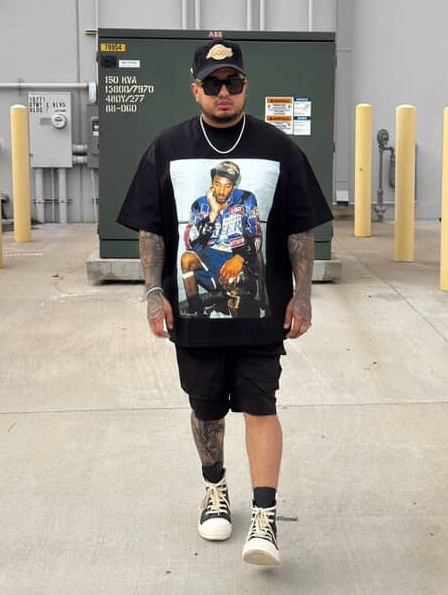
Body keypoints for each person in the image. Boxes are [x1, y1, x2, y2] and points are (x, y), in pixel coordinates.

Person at [117, 37, 332, 567]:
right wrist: (153, 293)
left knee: (262, 405)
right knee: (206, 409)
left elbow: (300, 229)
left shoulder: (279, 149)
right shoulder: (168, 148)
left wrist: (303, 296)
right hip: (196, 317)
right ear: (195, 90)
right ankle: (214, 487)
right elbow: (154, 231)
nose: (223, 92)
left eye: (232, 82)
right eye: (212, 83)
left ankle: (264, 515)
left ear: (245, 86)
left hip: (260, 312)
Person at [180, 159, 267, 319]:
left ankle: (243, 303)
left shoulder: (246, 199)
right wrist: (213, 214)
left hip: (236, 254)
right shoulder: (199, 204)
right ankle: (196, 310)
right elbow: (192, 243)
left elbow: (256, 235)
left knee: (238, 293)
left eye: (227, 186)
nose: (221, 191)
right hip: (210, 255)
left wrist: (239, 258)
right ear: (211, 182)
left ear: (234, 186)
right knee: (186, 259)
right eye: (217, 184)